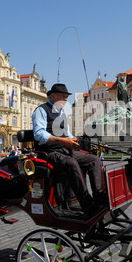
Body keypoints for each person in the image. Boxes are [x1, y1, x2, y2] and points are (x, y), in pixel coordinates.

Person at [32, 83, 106, 216]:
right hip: (49, 152)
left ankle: (98, 198)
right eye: (63, 96)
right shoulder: (41, 111)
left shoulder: (61, 113)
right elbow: (39, 134)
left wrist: (74, 139)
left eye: (66, 97)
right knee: (71, 163)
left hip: (65, 150)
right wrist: (63, 141)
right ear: (53, 96)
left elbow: (67, 133)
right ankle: (87, 204)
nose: (66, 100)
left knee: (94, 160)